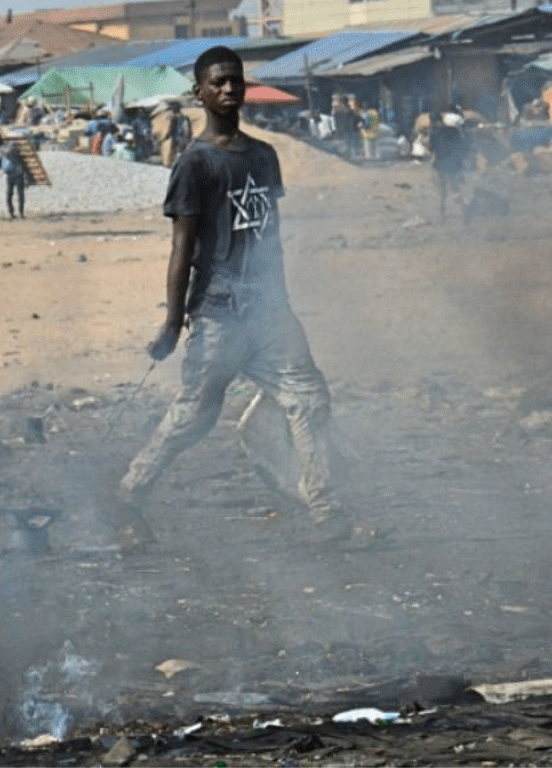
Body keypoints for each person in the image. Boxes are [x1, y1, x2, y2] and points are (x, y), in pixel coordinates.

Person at [113, 46, 377, 554]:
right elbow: (182, 247)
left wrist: (283, 299)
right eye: (218, 82)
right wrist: (172, 322)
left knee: (309, 399)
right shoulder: (196, 163)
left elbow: (268, 236)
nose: (229, 89)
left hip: (269, 311)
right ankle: (129, 492)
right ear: (200, 93)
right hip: (218, 313)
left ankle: (325, 507)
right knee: (194, 415)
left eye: (235, 80)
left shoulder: (263, 156)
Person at [430, 108, 467, 224]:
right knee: (456, 190)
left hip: (441, 165)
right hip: (453, 164)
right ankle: (464, 214)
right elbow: (461, 146)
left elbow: (433, 148)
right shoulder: (453, 130)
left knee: (443, 192)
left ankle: (442, 218)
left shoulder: (434, 133)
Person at [0, 141, 26, 220]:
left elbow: (10, 152)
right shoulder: (4, 154)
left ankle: (21, 213)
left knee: (19, 194)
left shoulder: (14, 151)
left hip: (18, 174)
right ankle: (12, 213)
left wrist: (4, 152)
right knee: (10, 194)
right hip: (10, 175)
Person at [331, 94, 359, 159]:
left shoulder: (338, 109)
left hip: (342, 129)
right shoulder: (347, 110)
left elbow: (336, 120)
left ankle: (348, 157)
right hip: (347, 129)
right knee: (350, 144)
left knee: (347, 144)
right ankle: (351, 157)